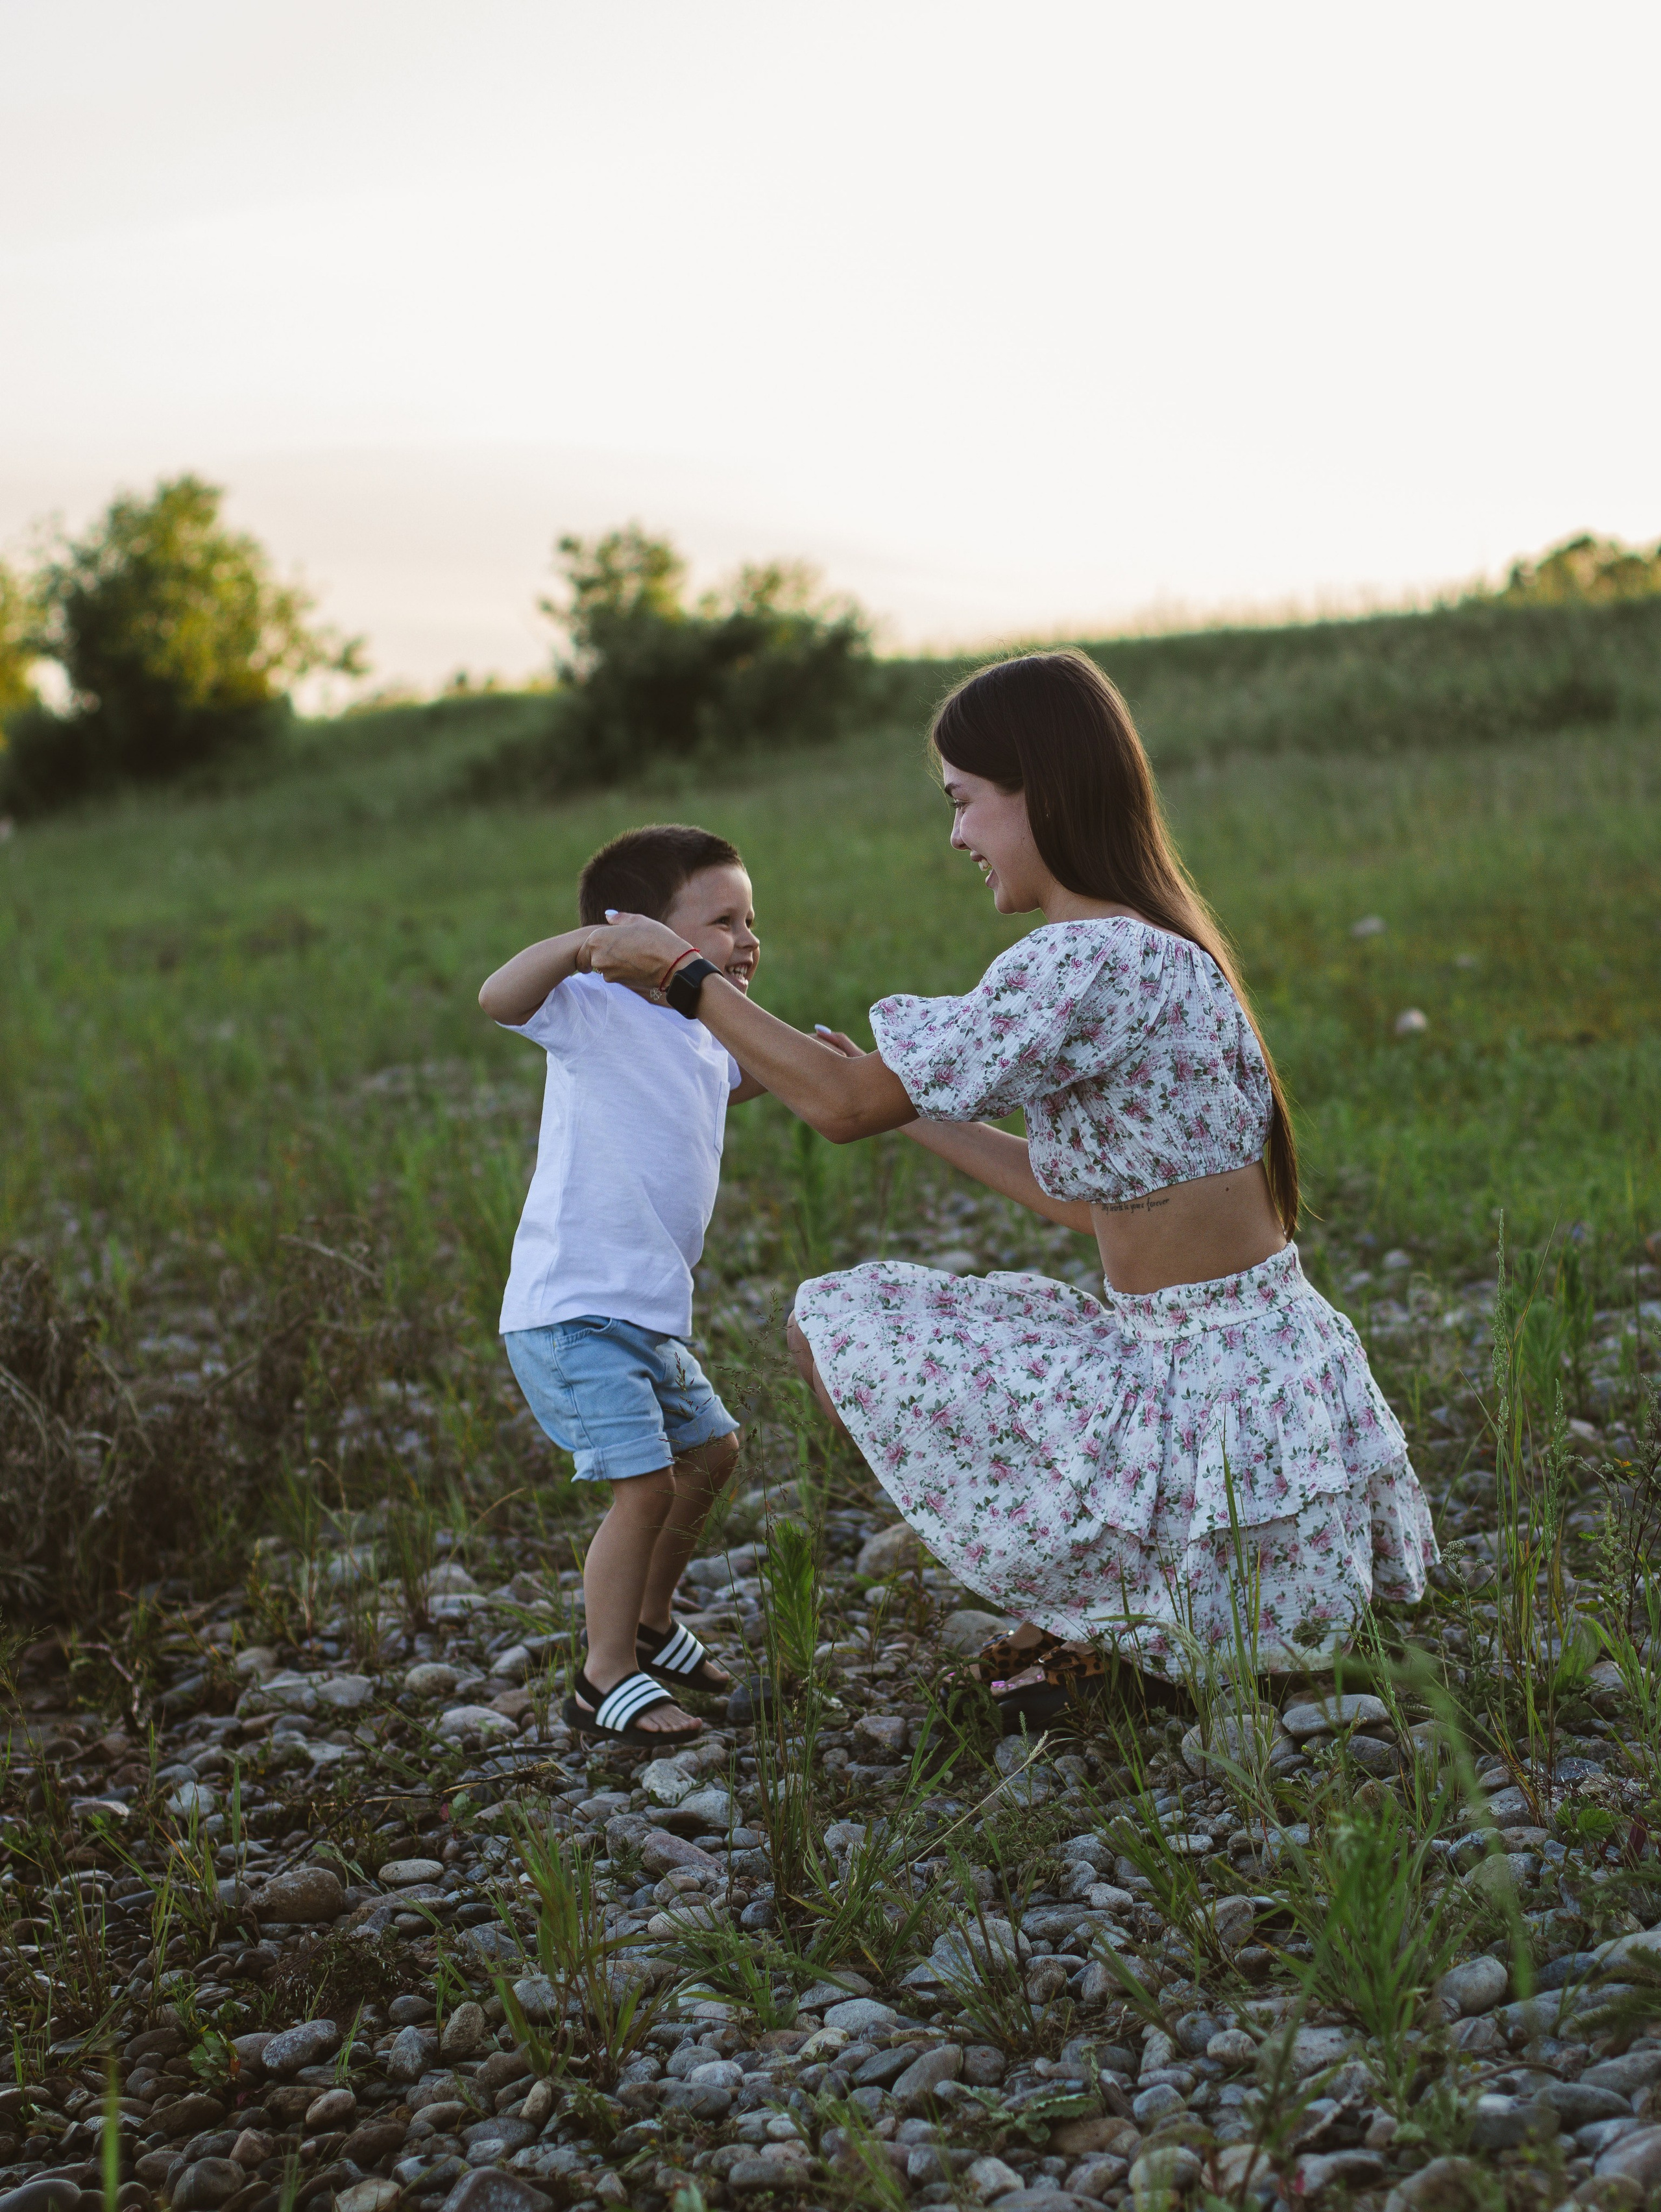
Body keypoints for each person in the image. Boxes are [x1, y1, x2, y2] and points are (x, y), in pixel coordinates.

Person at [584, 652, 1438, 1693]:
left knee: (838, 1321)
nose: (956, 837)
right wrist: (917, 1112)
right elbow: (1088, 1204)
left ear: (1043, 789)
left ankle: (1112, 1615)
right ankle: (1137, 1613)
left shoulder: (1081, 959)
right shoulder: (1163, 945)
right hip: (1265, 1377)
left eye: (965, 803)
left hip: (1195, 1393)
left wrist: (682, 976)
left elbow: (839, 1109)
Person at [478, 824, 767, 1744]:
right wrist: (582, 949)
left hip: (644, 1313)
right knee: (641, 1488)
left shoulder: (696, 1028)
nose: (750, 939)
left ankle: (649, 1620)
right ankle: (602, 1677)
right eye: (723, 920)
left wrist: (813, 1066)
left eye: (752, 918)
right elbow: (496, 996)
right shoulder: (594, 1004)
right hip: (574, 1309)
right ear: (636, 932)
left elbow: (718, 1087)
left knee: (713, 1454)